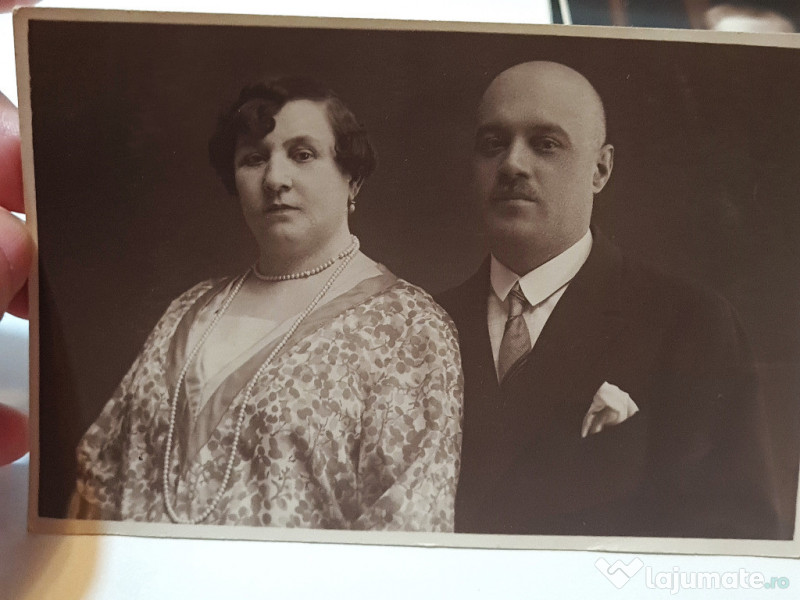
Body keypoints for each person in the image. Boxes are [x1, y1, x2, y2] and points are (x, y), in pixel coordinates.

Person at [70, 78, 463, 530]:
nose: (275, 179)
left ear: (352, 178)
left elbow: (408, 528)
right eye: (254, 159)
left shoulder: (408, 327)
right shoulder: (189, 310)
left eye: (303, 154)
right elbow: (95, 484)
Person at [437, 61, 781, 538]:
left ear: (600, 169)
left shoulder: (689, 322)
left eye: (546, 144)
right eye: (493, 144)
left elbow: (735, 533)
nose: (512, 164)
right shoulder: (422, 323)